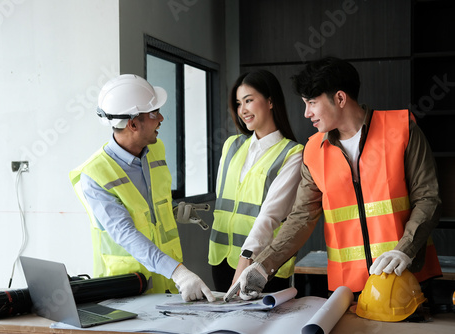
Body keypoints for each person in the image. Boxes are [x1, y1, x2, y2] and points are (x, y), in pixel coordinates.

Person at [227, 57, 442, 300]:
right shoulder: (313, 150)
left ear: (340, 98)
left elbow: (428, 198)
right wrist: (262, 265)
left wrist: (405, 250)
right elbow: (301, 218)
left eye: (311, 103)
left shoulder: (401, 128)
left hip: (406, 277)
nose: (306, 113)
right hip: (349, 288)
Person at [70, 74, 214, 302]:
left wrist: (174, 209)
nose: (162, 118)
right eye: (154, 113)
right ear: (133, 123)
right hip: (126, 292)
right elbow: (125, 233)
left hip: (166, 287)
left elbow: (150, 207)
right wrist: (179, 272)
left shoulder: (156, 150)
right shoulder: (95, 175)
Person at [208, 69, 304, 292]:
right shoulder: (231, 146)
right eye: (239, 103)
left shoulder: (292, 153)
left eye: (249, 100)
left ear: (270, 101)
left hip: (263, 266)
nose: (243, 110)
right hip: (220, 259)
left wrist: (245, 263)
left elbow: (270, 215)